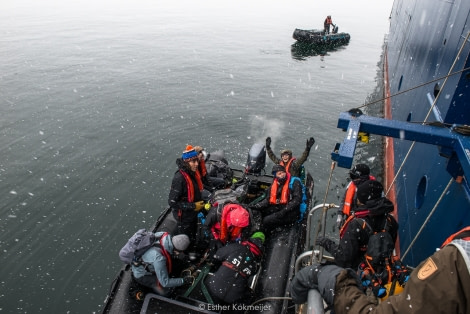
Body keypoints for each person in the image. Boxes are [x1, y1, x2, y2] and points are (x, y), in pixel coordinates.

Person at [290, 226, 470, 313]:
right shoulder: (377, 266)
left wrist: (335, 281)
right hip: (390, 297)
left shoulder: (455, 264)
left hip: (384, 300)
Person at [316, 180, 398, 269]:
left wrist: (326, 243)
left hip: (356, 271)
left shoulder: (356, 225)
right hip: (378, 270)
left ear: (362, 200)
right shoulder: (391, 222)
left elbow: (344, 258)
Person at [206, 232, 265, 305]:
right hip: (234, 298)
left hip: (213, 287)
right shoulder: (256, 264)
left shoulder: (236, 247)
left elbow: (218, 255)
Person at [168, 145, 206, 240]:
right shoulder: (179, 179)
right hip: (185, 217)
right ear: (186, 162)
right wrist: (193, 206)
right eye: (193, 162)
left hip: (193, 213)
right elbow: (172, 202)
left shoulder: (192, 172)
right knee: (188, 237)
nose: (196, 164)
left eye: (197, 161)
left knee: (193, 232)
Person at [251, 165, 303, 232]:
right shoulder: (275, 183)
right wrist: (256, 206)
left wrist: (284, 211)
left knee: (266, 220)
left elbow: (297, 200)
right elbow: (268, 199)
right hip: (279, 207)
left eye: (283, 172)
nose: (282, 175)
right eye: (279, 173)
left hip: (291, 212)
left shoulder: (295, 182)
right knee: (260, 212)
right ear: (276, 176)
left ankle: (266, 233)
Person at [336, 163, 376, 228]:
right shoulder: (351, 185)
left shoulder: (373, 189)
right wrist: (340, 214)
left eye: (354, 177)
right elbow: (344, 200)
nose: (353, 180)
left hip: (365, 222)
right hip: (350, 219)